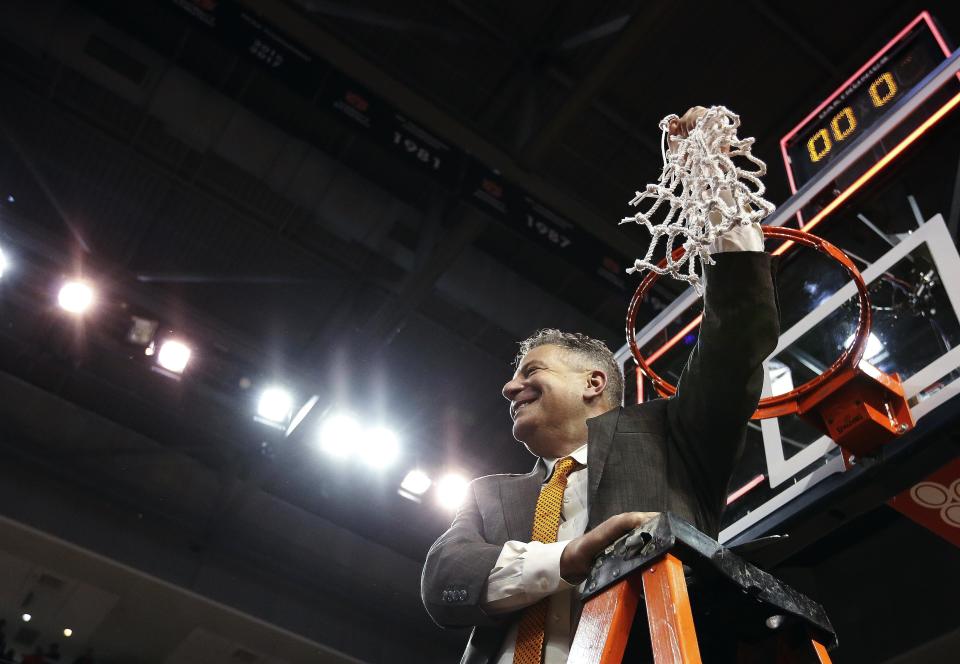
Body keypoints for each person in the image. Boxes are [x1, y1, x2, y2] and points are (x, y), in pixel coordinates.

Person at [421, 107, 780, 664]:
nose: (509, 388)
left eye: (531, 372)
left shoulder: (676, 436)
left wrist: (717, 195)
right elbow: (445, 579)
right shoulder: (488, 493)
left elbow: (735, 342)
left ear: (594, 381)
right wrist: (570, 556)